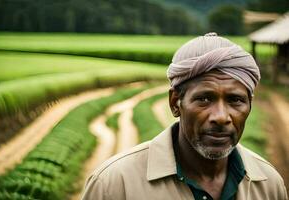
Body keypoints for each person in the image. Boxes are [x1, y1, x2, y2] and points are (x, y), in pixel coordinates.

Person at [81, 33, 288, 200]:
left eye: (235, 100)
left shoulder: (268, 184)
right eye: (205, 99)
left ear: (249, 106)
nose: (221, 117)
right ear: (175, 103)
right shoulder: (114, 185)